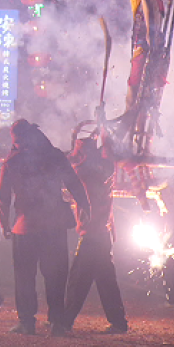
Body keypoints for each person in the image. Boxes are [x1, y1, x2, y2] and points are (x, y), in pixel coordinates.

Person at [0, 119, 90, 336]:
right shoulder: (54, 156)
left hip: (25, 227)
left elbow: (3, 197)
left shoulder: (13, 161)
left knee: (25, 278)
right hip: (53, 225)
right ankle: (56, 322)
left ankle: (27, 322)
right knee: (56, 275)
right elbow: (73, 183)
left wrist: (4, 223)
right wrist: (85, 206)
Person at [61, 136, 128, 333]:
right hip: (102, 232)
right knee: (106, 280)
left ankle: (64, 321)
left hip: (91, 234)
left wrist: (84, 224)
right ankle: (118, 322)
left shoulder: (83, 173)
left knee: (78, 279)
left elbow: (87, 201)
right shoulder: (105, 167)